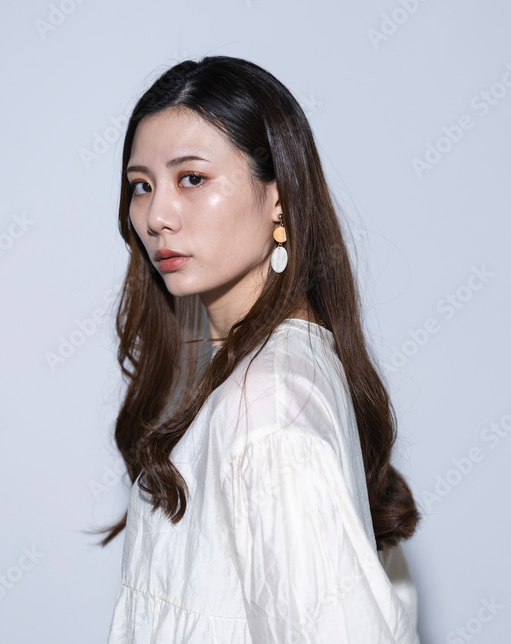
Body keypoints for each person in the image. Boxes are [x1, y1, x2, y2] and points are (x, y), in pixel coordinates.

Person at [91, 55, 422, 643]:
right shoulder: (282, 369)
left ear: (278, 196)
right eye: (142, 186)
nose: (156, 216)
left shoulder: (266, 399)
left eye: (192, 178)